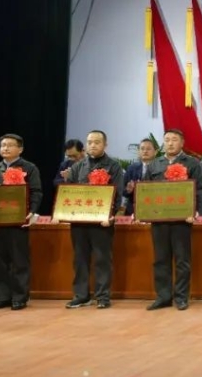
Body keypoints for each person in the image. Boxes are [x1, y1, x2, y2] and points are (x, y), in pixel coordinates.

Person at [0, 133, 43, 311]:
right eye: (3, 145)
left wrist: (31, 212)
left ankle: (19, 297)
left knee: (19, 260)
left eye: (10, 145)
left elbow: (36, 192)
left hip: (17, 221)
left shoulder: (29, 168)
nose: (5, 148)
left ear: (20, 149)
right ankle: (1, 297)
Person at [145, 128, 202, 311]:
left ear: (182, 143)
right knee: (160, 260)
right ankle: (163, 297)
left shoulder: (192, 163)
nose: (170, 143)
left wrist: (195, 212)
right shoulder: (155, 164)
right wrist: (145, 212)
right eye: (167, 139)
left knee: (182, 260)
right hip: (159, 219)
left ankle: (181, 297)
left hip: (182, 220)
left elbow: (200, 190)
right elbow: (145, 189)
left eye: (174, 139)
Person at [63, 130, 124, 309]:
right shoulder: (78, 166)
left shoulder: (113, 166)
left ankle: (103, 296)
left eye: (97, 142)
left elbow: (118, 194)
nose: (93, 145)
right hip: (80, 221)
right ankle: (81, 295)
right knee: (80, 259)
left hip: (102, 222)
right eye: (89, 142)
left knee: (102, 259)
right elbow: (69, 192)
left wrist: (110, 215)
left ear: (105, 145)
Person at [120, 137, 159, 216]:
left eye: (148, 149)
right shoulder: (131, 168)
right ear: (138, 152)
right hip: (133, 210)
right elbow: (123, 190)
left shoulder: (160, 168)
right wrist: (128, 190)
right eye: (142, 149)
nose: (145, 151)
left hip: (155, 209)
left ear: (155, 152)